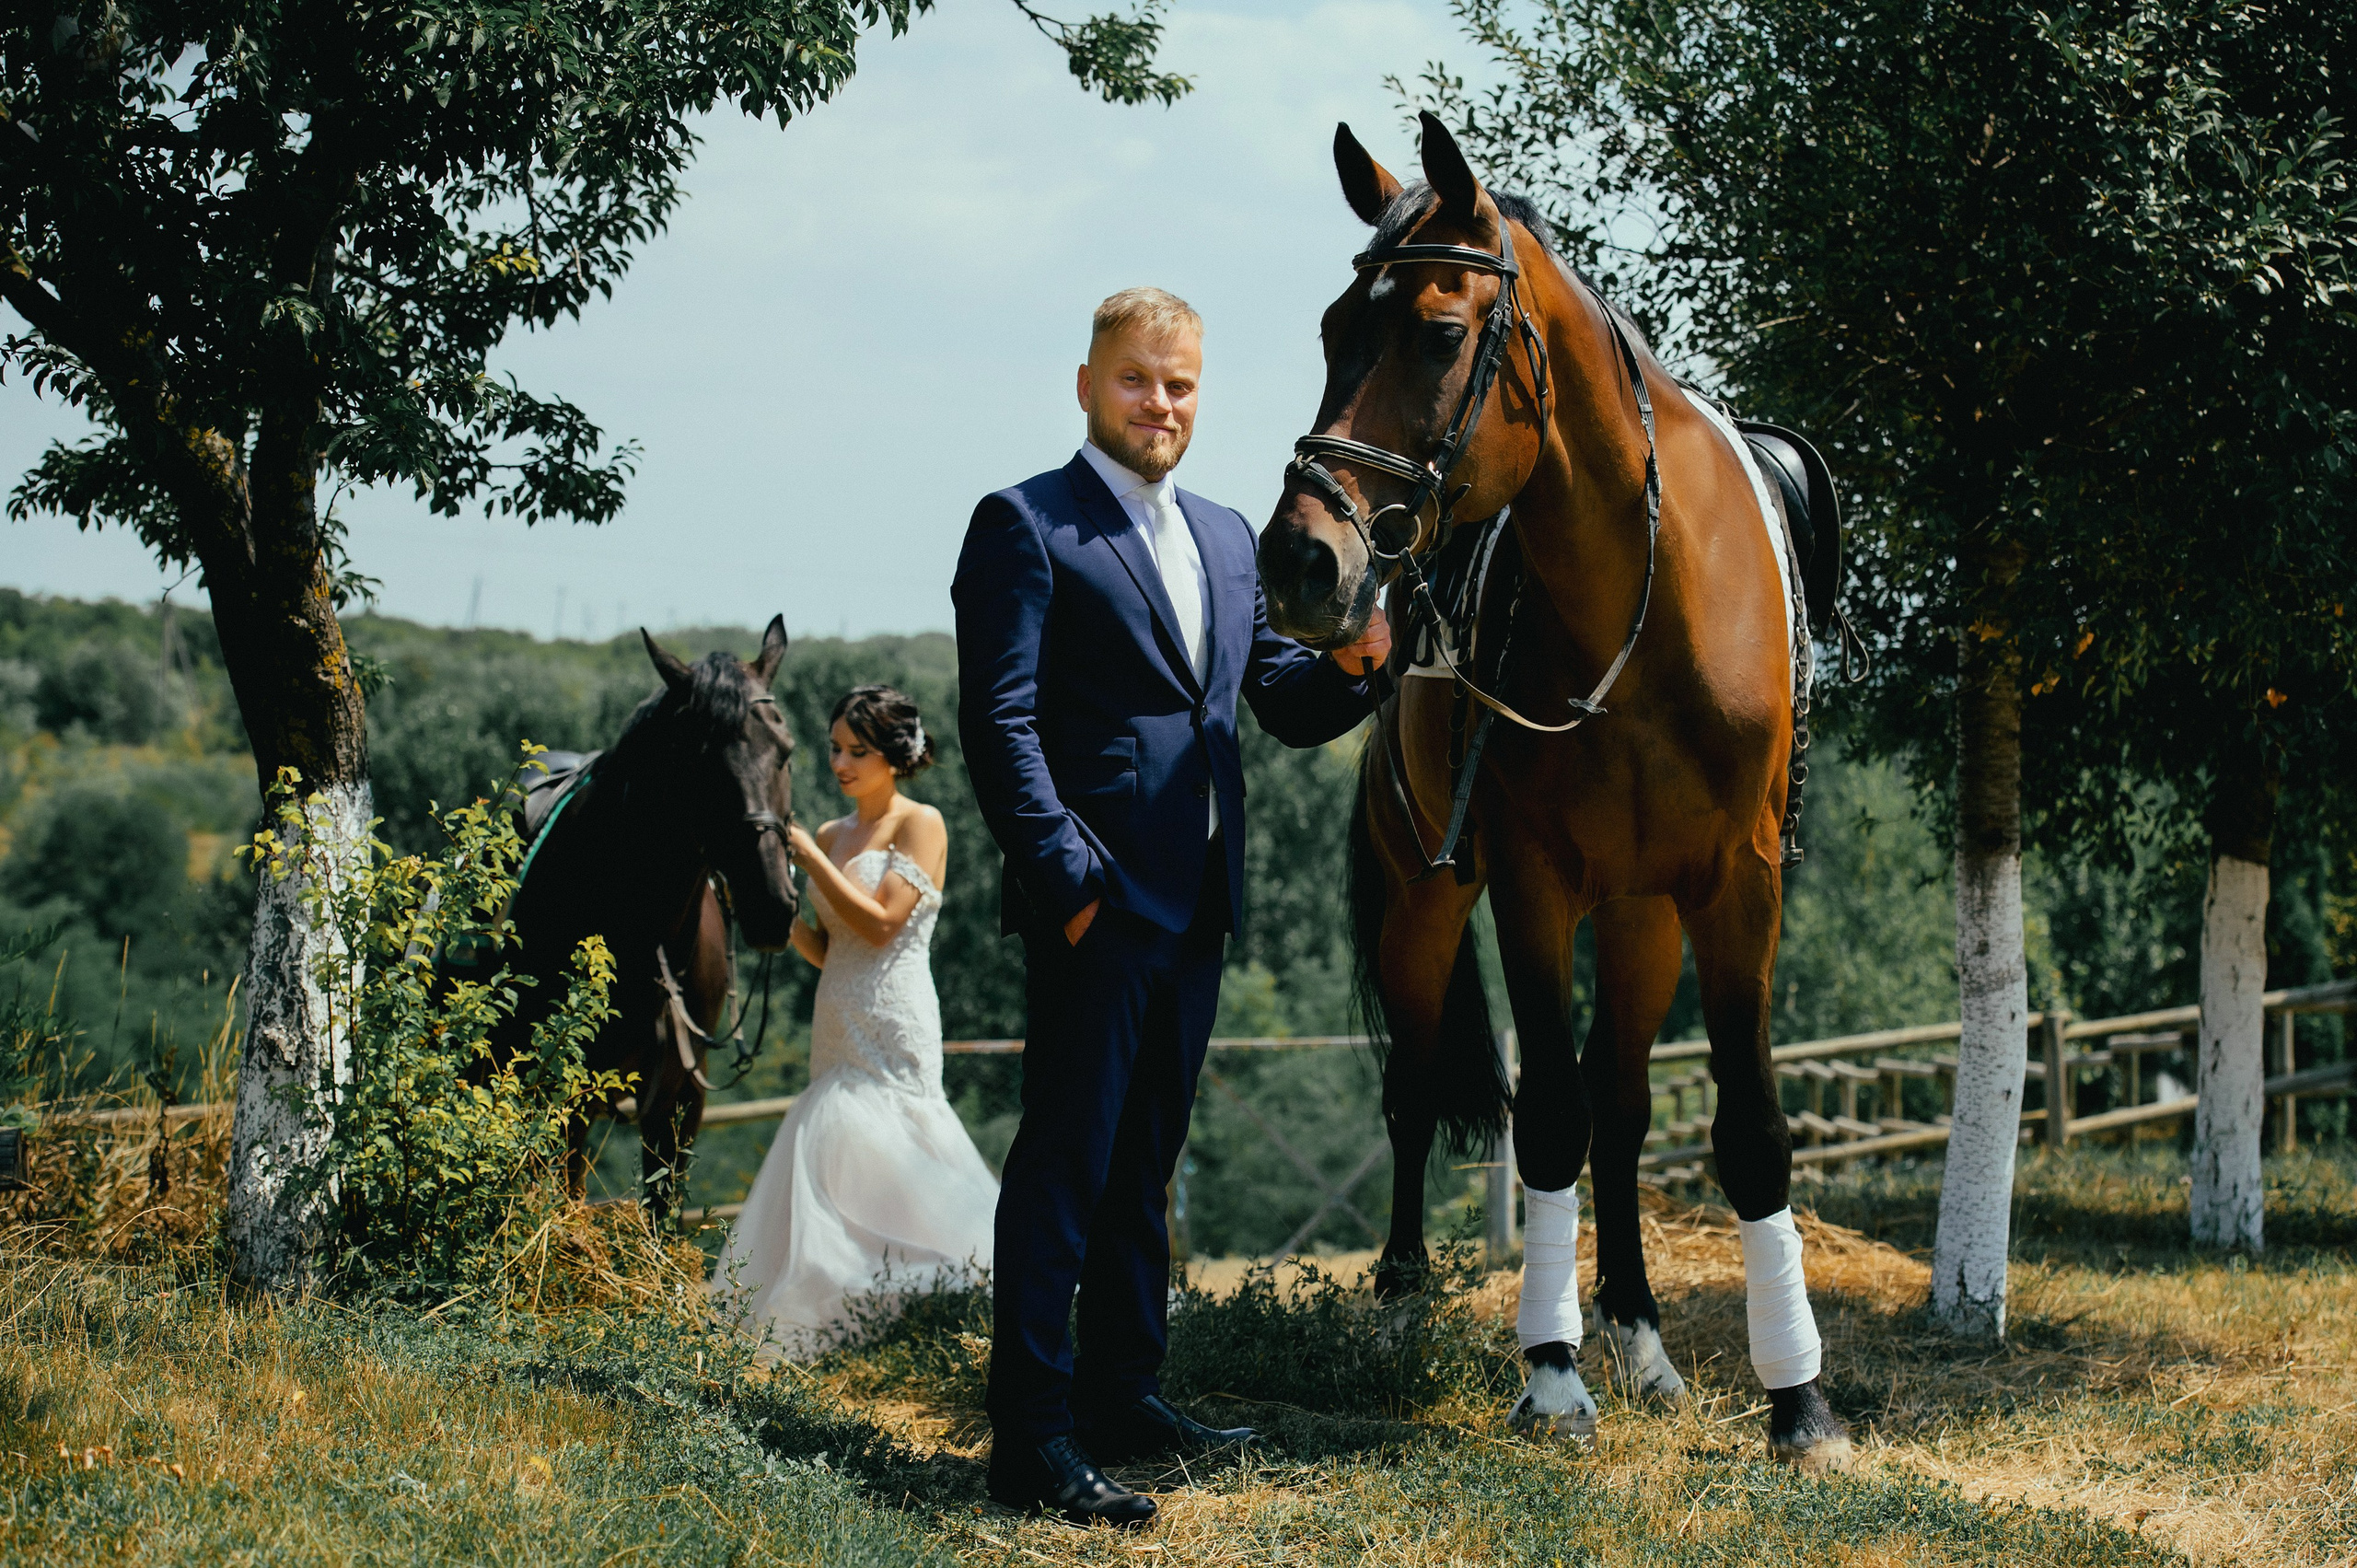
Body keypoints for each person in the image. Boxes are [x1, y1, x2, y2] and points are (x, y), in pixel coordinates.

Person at [954, 287, 1391, 1527]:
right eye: (1140, 380)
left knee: (1143, 1167)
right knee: (1065, 1167)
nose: (1162, 404)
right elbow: (1001, 722)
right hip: (1097, 903)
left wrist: (1366, 668)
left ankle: (1122, 1394)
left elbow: (1280, 700)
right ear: (1090, 385)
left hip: (1199, 903)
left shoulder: (1227, 535)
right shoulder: (1027, 523)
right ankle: (1032, 1439)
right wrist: (1068, 880)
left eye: (1182, 384)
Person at [709, 685, 998, 1359]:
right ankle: (856, 1310)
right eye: (835, 748)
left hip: (894, 1010)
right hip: (836, 1013)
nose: (840, 763)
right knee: (832, 1143)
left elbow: (881, 923)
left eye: (857, 751)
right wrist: (770, 912)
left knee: (897, 1142)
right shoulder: (837, 833)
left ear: (894, 755)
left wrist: (808, 859)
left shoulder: (919, 823)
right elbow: (827, 944)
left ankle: (952, 1284)